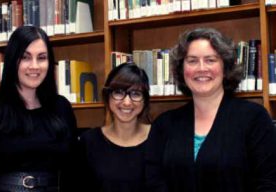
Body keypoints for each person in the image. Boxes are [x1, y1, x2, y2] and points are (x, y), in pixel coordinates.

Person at [145, 27, 276, 192]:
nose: (201, 68)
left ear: (225, 67)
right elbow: (154, 183)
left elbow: (269, 183)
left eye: (210, 60)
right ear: (181, 70)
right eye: (192, 60)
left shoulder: (254, 118)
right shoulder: (164, 124)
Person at [0, 26, 77, 192]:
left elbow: (73, 169)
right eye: (25, 57)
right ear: (12, 61)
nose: (34, 66)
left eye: (42, 58)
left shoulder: (61, 107)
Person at [78, 63, 151, 192]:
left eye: (136, 93)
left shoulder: (159, 138)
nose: (127, 102)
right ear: (107, 97)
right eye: (118, 92)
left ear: (145, 100)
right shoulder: (88, 142)